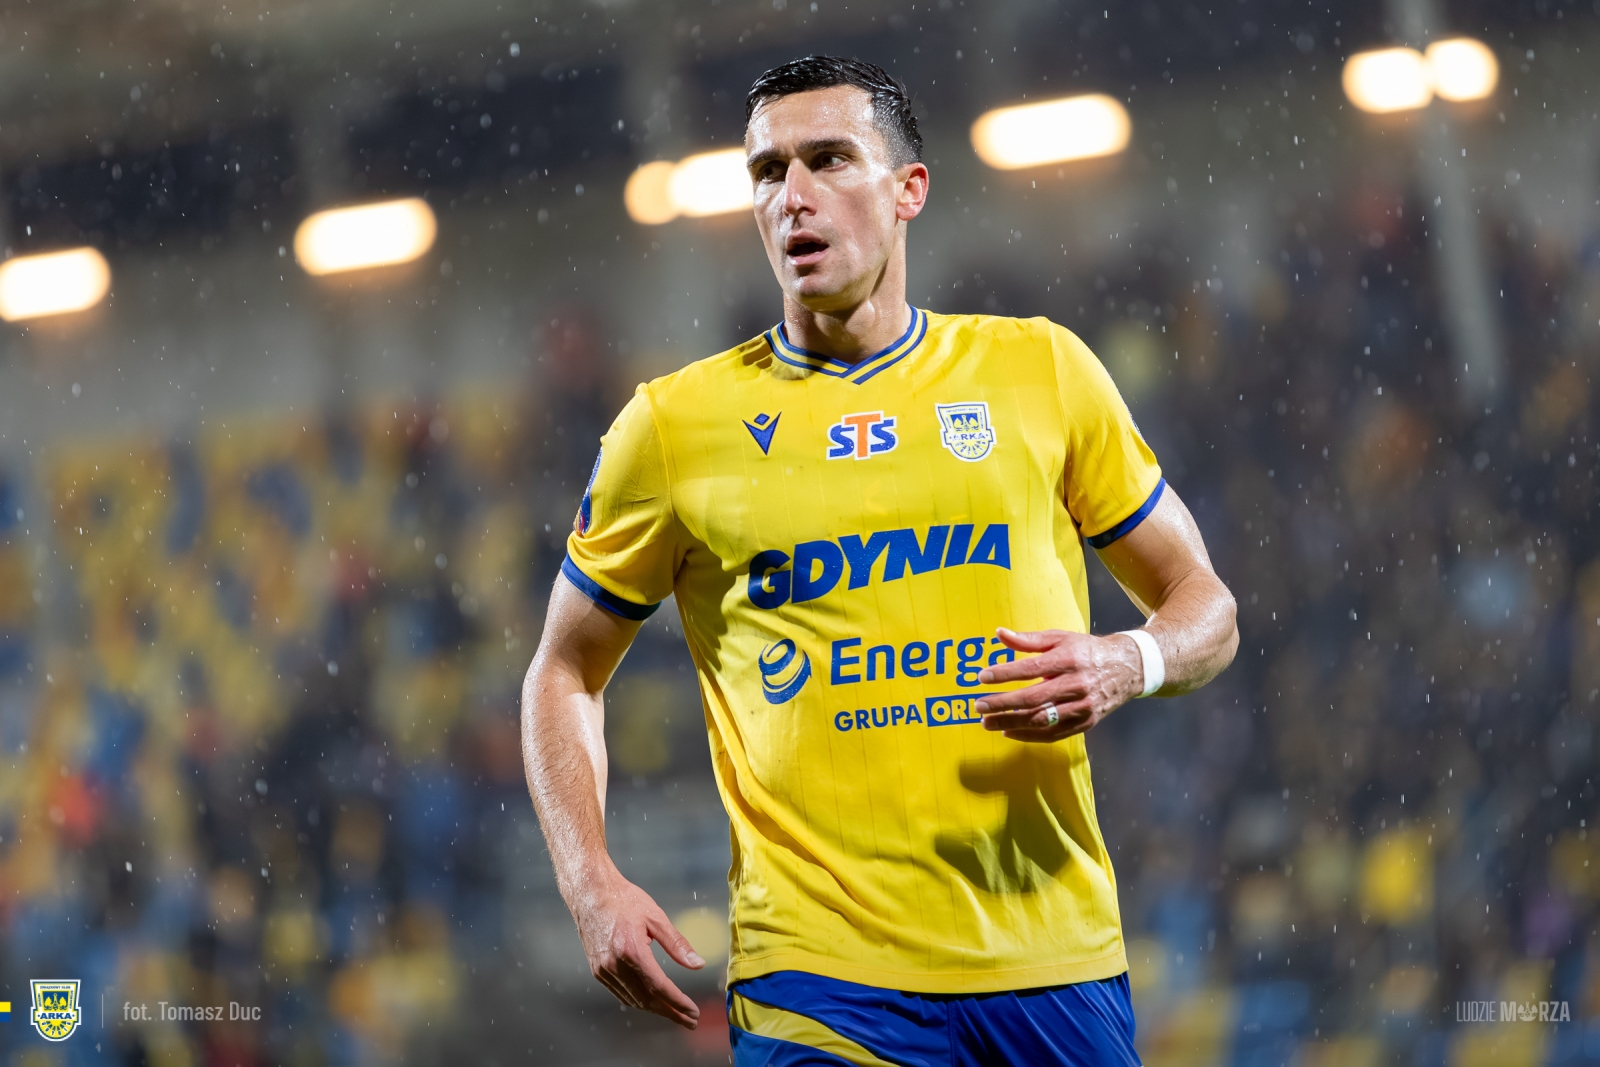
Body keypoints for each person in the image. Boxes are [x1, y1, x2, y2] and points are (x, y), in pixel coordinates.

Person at [521, 55, 1238, 1066]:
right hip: (817, 978)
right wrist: (587, 878)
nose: (793, 195)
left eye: (828, 160)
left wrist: (1131, 660)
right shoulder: (673, 428)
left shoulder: (1040, 370)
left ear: (909, 190)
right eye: (767, 172)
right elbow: (562, 668)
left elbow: (1205, 604)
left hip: (1049, 956)